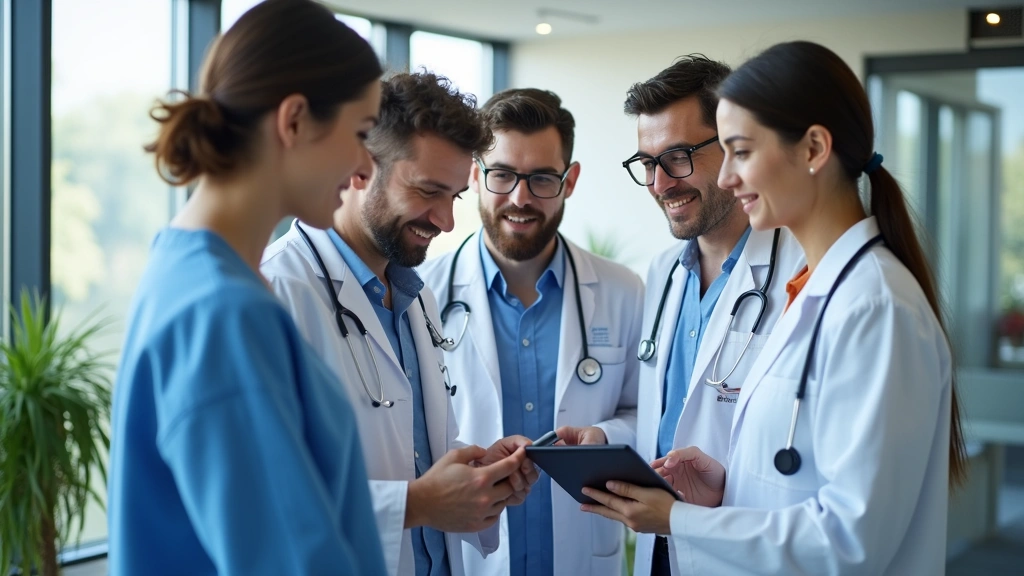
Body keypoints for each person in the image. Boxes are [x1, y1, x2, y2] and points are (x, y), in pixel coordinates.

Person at [580, 40, 968, 575]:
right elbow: (793, 471)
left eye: (742, 151)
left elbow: (852, 540)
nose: (728, 177)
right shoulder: (815, 290)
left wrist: (682, 520)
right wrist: (730, 483)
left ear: (812, 150)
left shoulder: (874, 306)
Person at [107, 1, 387, 574]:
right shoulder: (223, 314)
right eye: (360, 134)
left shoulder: (186, 272)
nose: (364, 167)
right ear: (294, 120)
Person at [260, 71, 539, 576]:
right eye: (428, 191)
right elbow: (259, 498)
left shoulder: (415, 293)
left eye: (453, 197)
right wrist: (418, 504)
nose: (446, 221)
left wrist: (477, 473)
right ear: (359, 167)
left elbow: (409, 446)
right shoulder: (276, 293)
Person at [419, 88, 644, 576]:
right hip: (471, 558)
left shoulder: (623, 291)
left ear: (570, 180)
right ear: (476, 175)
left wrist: (603, 436)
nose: (520, 199)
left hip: (583, 557)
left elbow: (646, 412)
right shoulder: (423, 296)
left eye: (542, 178)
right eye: (502, 175)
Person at [610, 56, 805, 576]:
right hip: (660, 547)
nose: (660, 183)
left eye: (677, 157)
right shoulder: (662, 273)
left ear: (734, 147)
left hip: (749, 553)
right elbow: (668, 424)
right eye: (647, 163)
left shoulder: (800, 276)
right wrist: (606, 442)